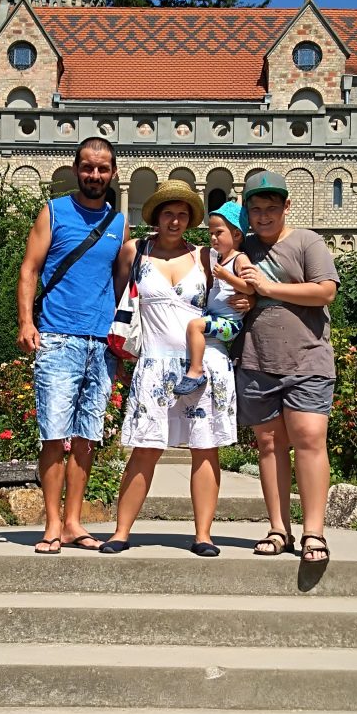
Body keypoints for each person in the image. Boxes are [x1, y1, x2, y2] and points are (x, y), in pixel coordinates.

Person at [100, 180, 237, 558]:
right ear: (156, 217)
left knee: (204, 449)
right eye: (168, 214)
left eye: (182, 215)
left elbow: (232, 298)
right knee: (145, 448)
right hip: (154, 364)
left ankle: (204, 535)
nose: (174, 221)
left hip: (202, 364)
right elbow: (116, 300)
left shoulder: (206, 257)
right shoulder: (136, 251)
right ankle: (121, 532)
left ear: (190, 219)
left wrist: (243, 298)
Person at [17, 137, 127, 554]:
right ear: (76, 169)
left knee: (87, 437)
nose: (95, 175)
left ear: (113, 173)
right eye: (88, 167)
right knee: (53, 435)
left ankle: (73, 523)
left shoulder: (119, 223)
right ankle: (51, 524)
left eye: (102, 168)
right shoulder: (54, 211)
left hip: (101, 344)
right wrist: (26, 322)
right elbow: (30, 269)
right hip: (58, 337)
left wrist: (120, 339)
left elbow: (121, 283)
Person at [235, 169, 339, 563]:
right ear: (247, 212)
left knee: (309, 438)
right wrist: (241, 300)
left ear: (286, 207)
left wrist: (267, 289)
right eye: (256, 209)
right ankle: (279, 528)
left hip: (308, 359)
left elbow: (325, 291)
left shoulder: (307, 241)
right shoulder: (243, 247)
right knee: (269, 444)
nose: (264, 216)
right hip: (257, 359)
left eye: (271, 208)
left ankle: (314, 532)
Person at [174, 200, 252, 395]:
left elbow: (250, 288)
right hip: (216, 317)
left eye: (219, 233)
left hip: (230, 323)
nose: (213, 238)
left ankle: (196, 371)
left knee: (195, 326)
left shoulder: (239, 258)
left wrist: (227, 277)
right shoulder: (219, 258)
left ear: (236, 234)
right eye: (211, 234)